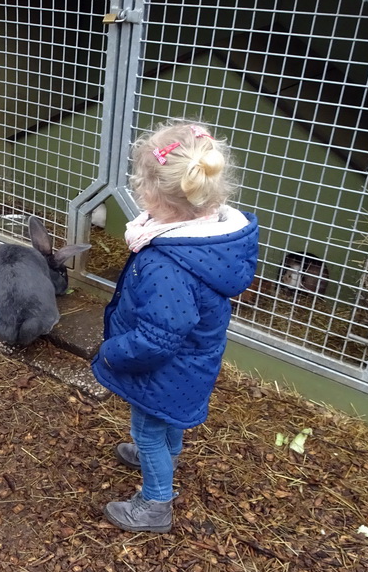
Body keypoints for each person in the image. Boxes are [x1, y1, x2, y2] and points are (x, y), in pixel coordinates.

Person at [92, 121, 258, 533]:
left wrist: (112, 352)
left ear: (151, 193)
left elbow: (157, 337)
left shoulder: (166, 263)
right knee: (166, 423)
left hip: (164, 372)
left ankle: (155, 504)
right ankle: (167, 454)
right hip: (192, 365)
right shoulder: (214, 237)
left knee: (148, 429)